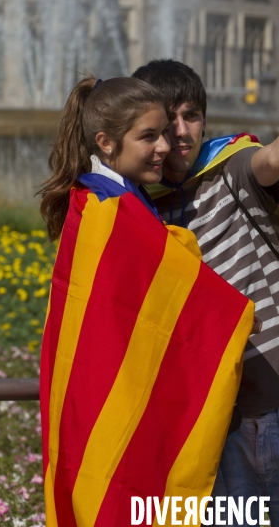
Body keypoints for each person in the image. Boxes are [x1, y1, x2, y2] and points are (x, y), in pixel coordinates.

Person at [133, 59, 279, 527]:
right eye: (168, 120)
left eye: (193, 115)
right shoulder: (142, 209)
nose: (182, 132)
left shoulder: (233, 168)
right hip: (220, 424)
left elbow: (275, 156)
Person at [38, 76, 256, 526]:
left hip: (100, 400)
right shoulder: (106, 206)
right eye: (148, 136)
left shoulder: (101, 197)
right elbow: (183, 294)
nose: (164, 146)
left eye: (163, 133)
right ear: (107, 142)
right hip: (107, 401)